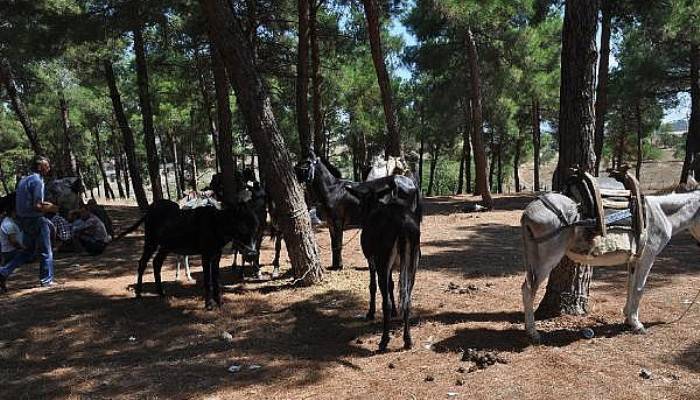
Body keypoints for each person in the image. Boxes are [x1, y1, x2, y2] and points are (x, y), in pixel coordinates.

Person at [0, 156, 59, 292]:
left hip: (23, 221)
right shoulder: (37, 181)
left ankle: (3, 272)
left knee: (28, 251)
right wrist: (52, 208)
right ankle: (47, 280)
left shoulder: (23, 180)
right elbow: (38, 205)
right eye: (47, 165)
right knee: (46, 249)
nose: (49, 167)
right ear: (39, 167)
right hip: (35, 219)